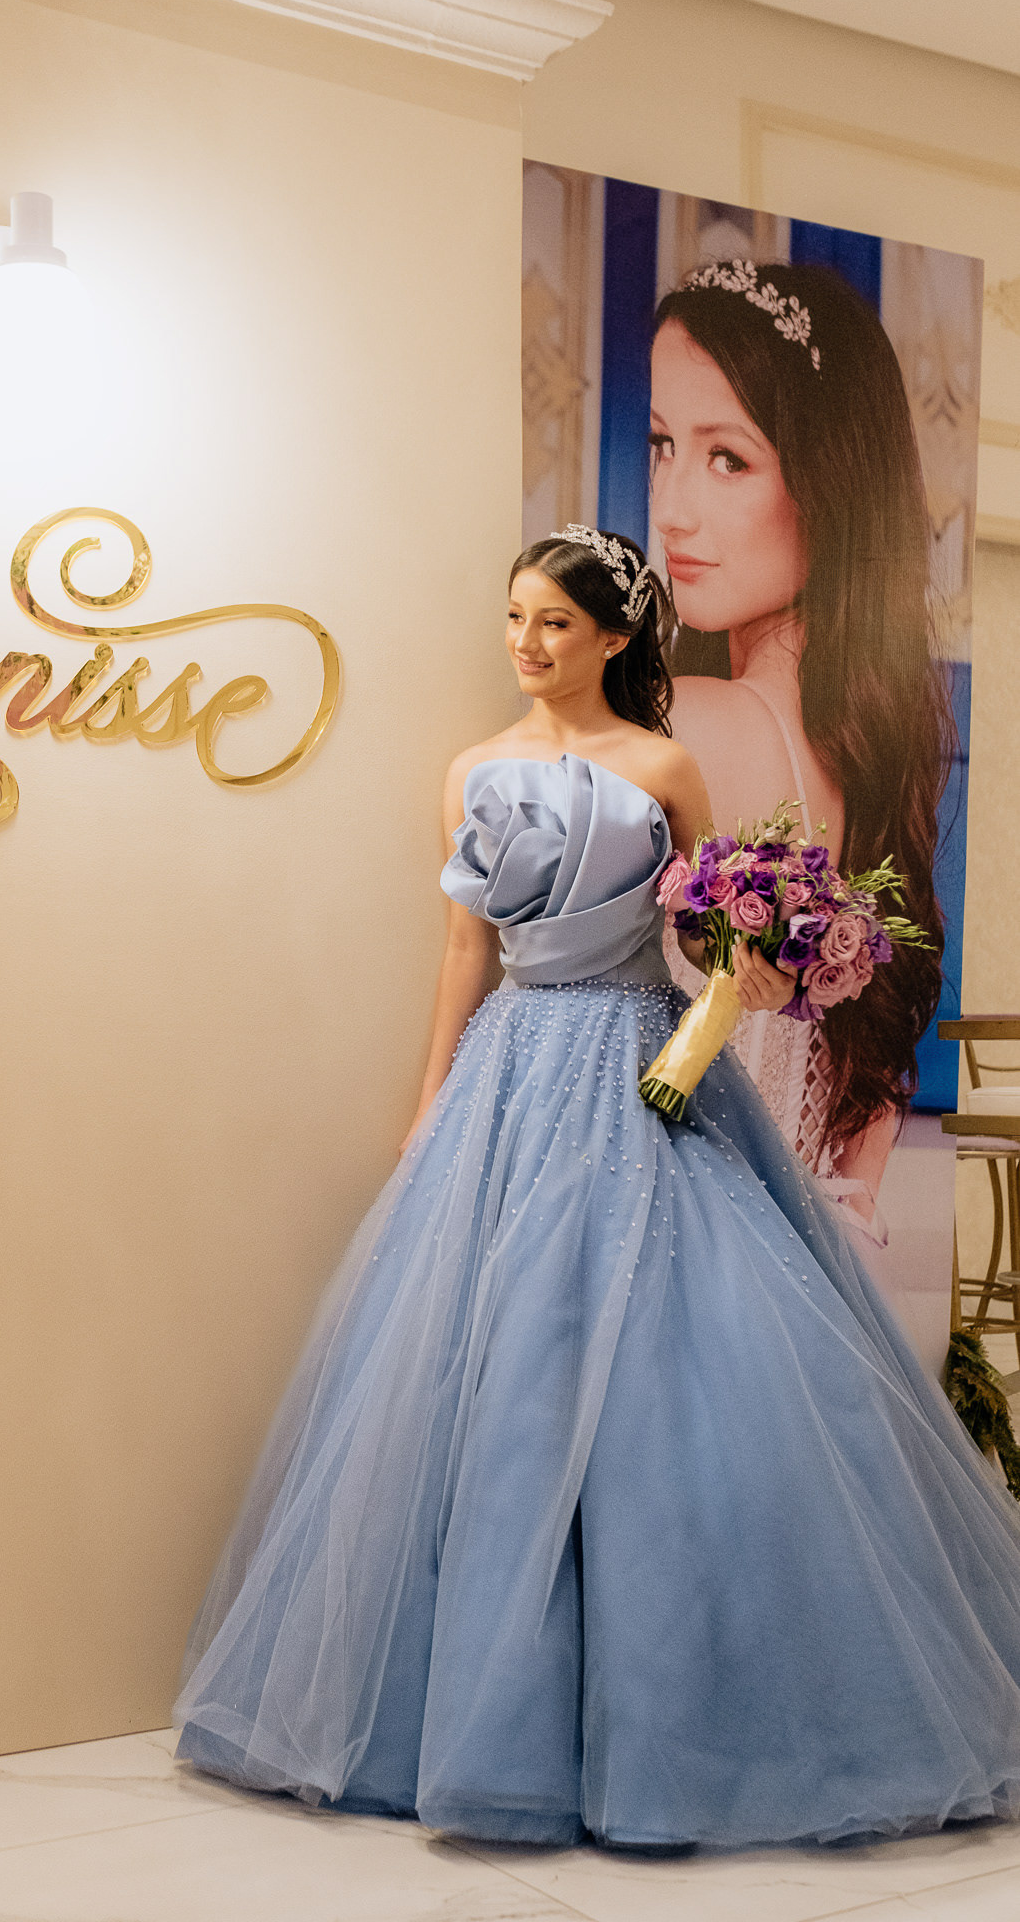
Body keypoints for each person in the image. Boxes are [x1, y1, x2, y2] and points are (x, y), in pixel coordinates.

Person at [173, 528, 1020, 1850]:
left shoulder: (664, 766)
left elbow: (715, 940)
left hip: (637, 1063)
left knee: (666, 1359)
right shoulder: (473, 768)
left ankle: (692, 1718)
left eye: (555, 623)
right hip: (511, 1071)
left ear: (617, 637)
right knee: (497, 1371)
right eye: (515, 617)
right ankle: (477, 1720)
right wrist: (429, 1101)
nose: (527, 643)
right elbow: (463, 949)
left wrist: (764, 957)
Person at [649, 259, 950, 1238]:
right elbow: (856, 1165)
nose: (672, 507)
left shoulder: (688, 721)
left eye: (727, 458)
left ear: (829, 487)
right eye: (663, 445)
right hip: (797, 1269)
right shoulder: (868, 770)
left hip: (664, 1231)